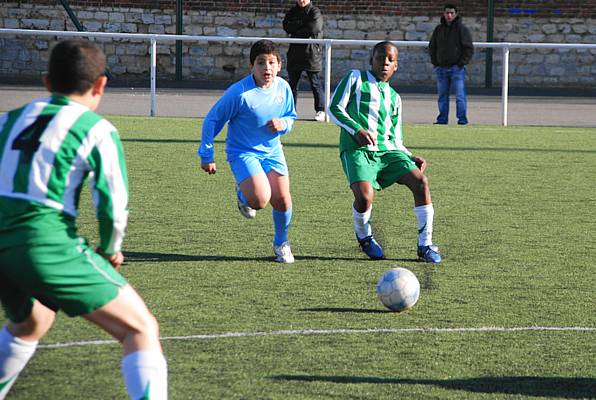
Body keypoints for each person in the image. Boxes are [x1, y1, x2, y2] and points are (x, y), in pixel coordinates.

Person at [0, 39, 167, 399]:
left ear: (46, 82)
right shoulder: (95, 128)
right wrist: (110, 250)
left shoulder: (8, 120)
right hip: (41, 242)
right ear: (101, 84)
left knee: (32, 321)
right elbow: (112, 203)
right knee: (141, 329)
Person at [328, 41, 441, 264]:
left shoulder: (395, 98)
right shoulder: (355, 78)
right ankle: (365, 236)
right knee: (364, 196)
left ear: (396, 66)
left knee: (421, 182)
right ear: (372, 60)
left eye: (390, 60)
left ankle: (425, 245)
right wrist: (356, 130)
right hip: (358, 149)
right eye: (381, 58)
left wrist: (409, 156)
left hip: (389, 152)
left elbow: (395, 137)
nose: (385, 63)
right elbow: (334, 108)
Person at [198, 39, 297, 264]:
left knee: (282, 199)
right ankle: (244, 194)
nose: (267, 68)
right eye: (261, 63)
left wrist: (284, 123)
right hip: (243, 152)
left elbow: (291, 116)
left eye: (272, 62)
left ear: (279, 65)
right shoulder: (240, 93)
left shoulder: (283, 87)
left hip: (273, 152)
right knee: (260, 200)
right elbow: (213, 120)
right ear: (251, 66)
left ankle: (281, 243)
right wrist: (206, 154)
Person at [428, 3, 474, 125]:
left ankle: (462, 120)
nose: (449, 15)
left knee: (460, 96)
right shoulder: (439, 29)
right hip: (441, 68)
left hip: (456, 69)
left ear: (456, 14)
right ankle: (442, 120)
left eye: (451, 13)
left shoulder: (462, 29)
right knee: (442, 96)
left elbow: (468, 48)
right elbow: (432, 47)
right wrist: (435, 63)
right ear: (443, 14)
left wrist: (461, 63)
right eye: (447, 13)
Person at [283, 0, 326, 122]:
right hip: (295, 53)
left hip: (311, 53)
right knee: (292, 84)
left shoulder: (315, 12)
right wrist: (301, 25)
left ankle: (320, 110)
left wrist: (296, 28)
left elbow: (313, 29)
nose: (301, 1)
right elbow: (286, 26)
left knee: (315, 83)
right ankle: (290, 110)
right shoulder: (293, 11)